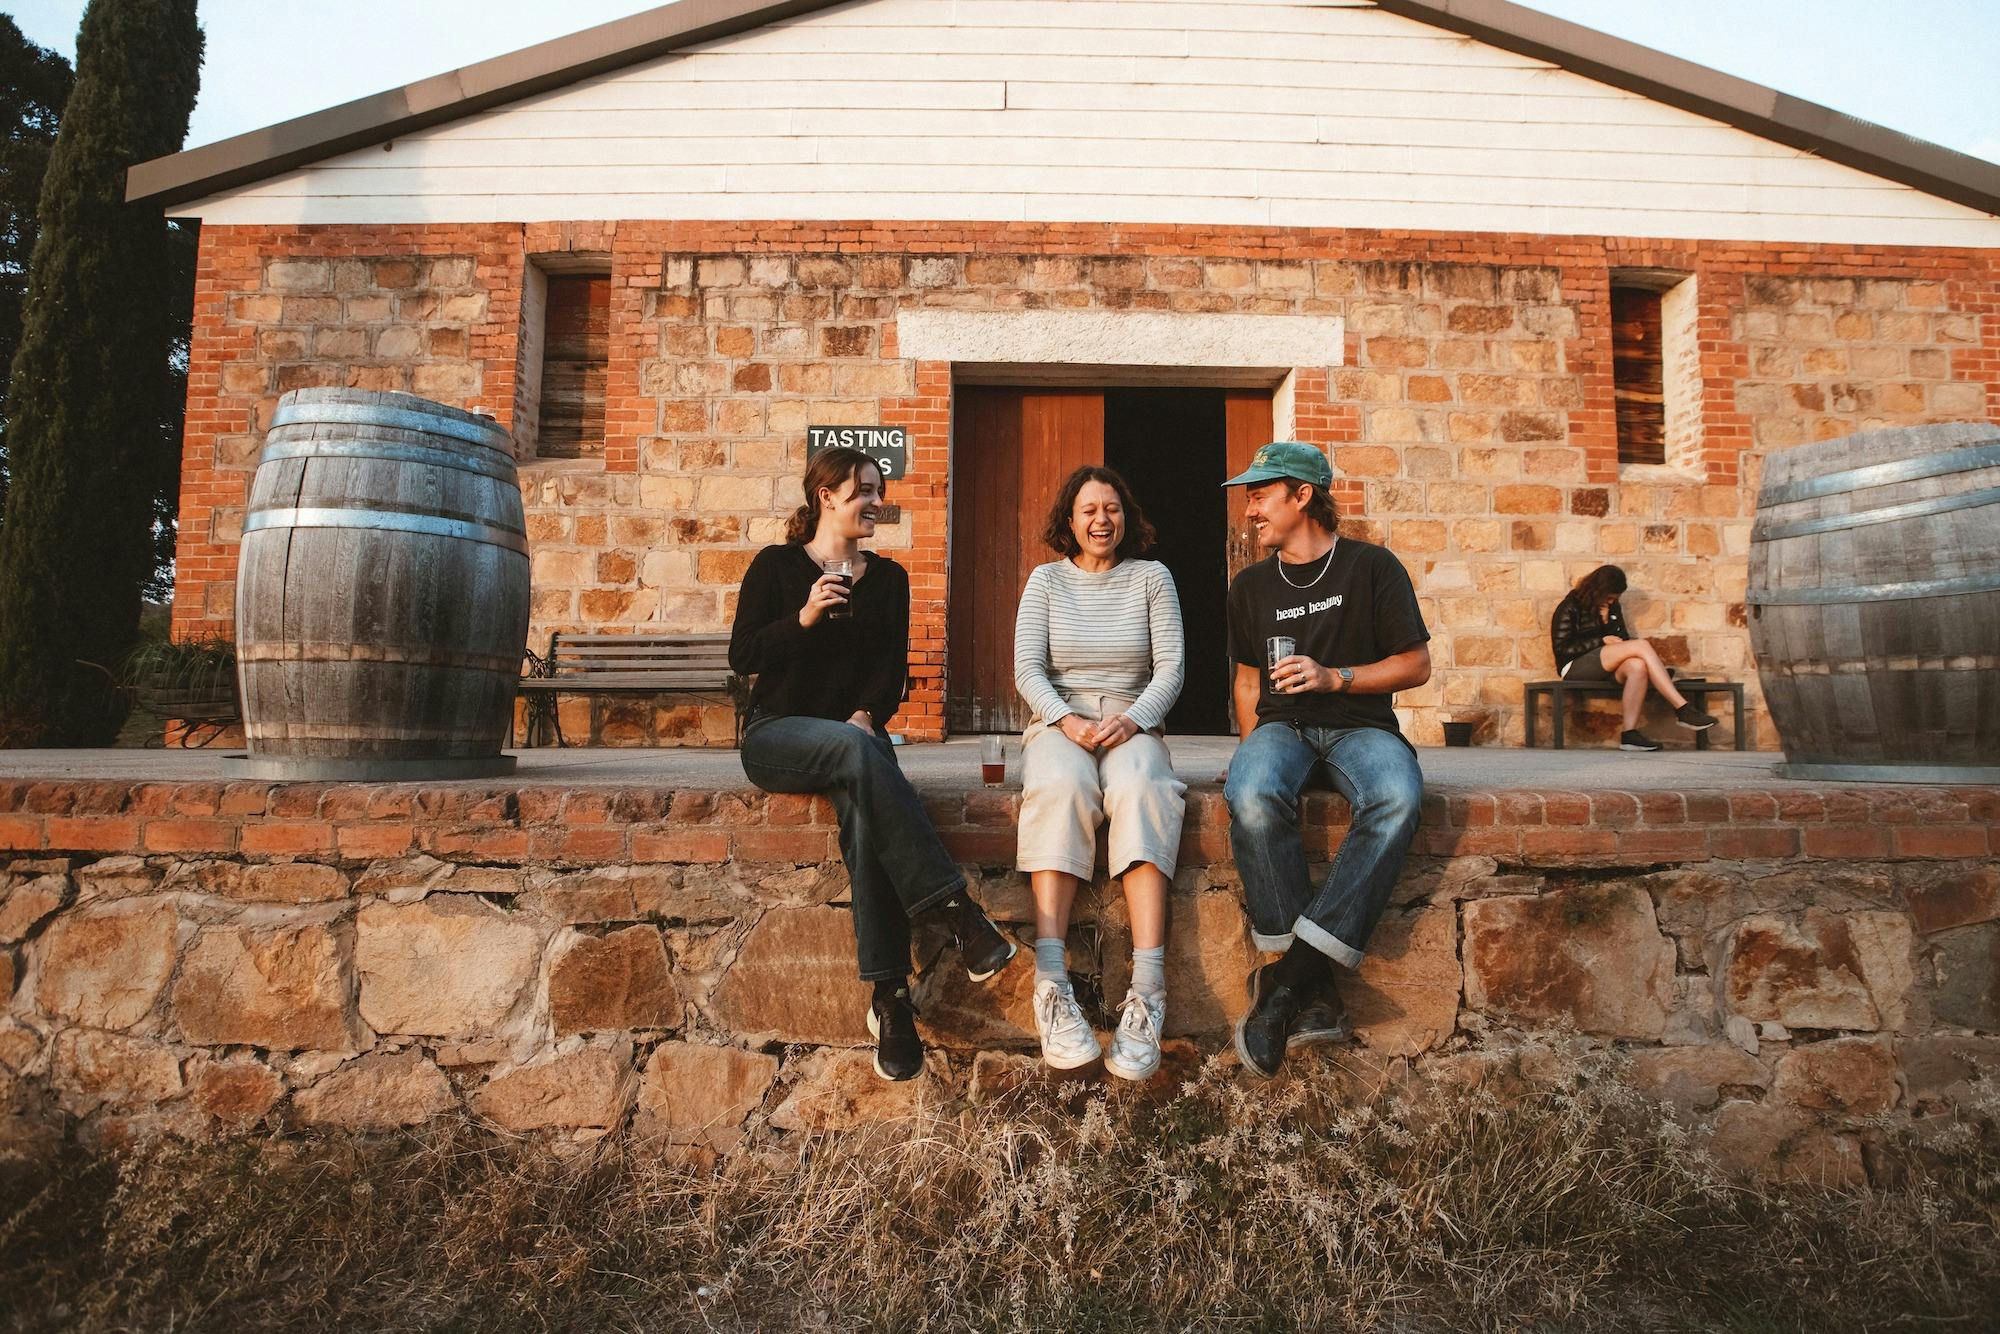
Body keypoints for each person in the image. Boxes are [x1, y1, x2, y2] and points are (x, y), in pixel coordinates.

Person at [729, 446, 1016, 1083]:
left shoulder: (887, 580)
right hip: (778, 736)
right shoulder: (777, 567)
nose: (874, 502)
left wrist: (866, 713)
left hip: (854, 739)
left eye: (876, 490)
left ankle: (889, 998)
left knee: (863, 814)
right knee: (862, 756)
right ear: (826, 495)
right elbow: (744, 655)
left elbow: (891, 676)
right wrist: (803, 617)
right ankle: (956, 913)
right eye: (863, 490)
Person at [1220, 442, 1431, 1079]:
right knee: (1253, 792)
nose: (1250, 509)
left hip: (1358, 725)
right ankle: (1308, 986)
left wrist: (1335, 677)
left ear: (1303, 495)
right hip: (1282, 728)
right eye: (1249, 497)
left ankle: (1287, 982)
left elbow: (1415, 665)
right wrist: (1252, 751)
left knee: (1396, 795)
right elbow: (1249, 681)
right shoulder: (1250, 585)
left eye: (1260, 495)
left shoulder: (1372, 567)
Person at [1013, 465, 1187, 1080]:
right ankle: (1052, 985)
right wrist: (1065, 720)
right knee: (1061, 786)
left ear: (1126, 517)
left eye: (1111, 508)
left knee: (1143, 789)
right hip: (1061, 724)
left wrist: (1135, 720)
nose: (1101, 520)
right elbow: (1028, 669)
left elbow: (1171, 668)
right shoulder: (1045, 581)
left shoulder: (1151, 578)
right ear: (1069, 520)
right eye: (1088, 510)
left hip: (1133, 723)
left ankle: (1147, 991)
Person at [1549, 564, 1716, 751]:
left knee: (1637, 665)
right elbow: (1562, 648)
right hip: (1574, 667)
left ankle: (1629, 735)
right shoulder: (1570, 606)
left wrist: (1607, 623)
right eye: (1609, 597)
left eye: (1615, 598)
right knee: (1642, 645)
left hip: (1607, 667)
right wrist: (1601, 640)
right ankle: (1682, 708)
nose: (1612, 602)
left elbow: (1624, 641)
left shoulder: (1612, 608)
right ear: (1598, 590)